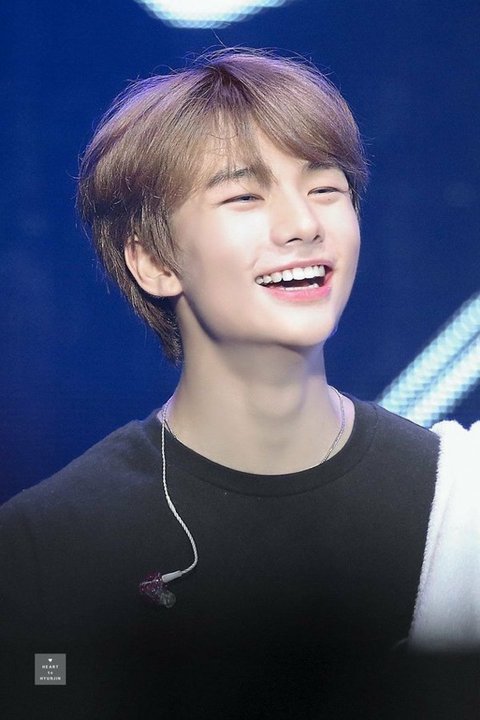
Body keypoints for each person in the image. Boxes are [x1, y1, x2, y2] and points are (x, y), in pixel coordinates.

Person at [0, 49, 477, 719]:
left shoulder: (461, 501)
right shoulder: (47, 545)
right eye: (244, 196)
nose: (303, 225)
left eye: (325, 188)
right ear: (153, 260)